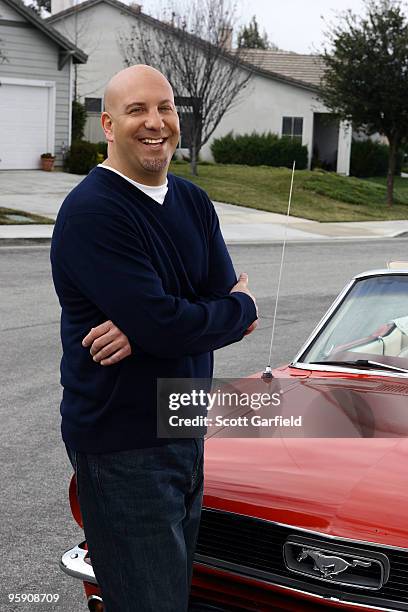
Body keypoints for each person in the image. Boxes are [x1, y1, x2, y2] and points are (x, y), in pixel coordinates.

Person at [50, 64, 257, 612]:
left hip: (185, 426)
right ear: (108, 125)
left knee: (176, 595)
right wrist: (184, 318)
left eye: (164, 108)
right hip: (124, 445)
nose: (155, 122)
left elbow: (229, 308)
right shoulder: (94, 212)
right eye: (137, 110)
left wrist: (148, 329)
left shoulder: (192, 201)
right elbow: (203, 312)